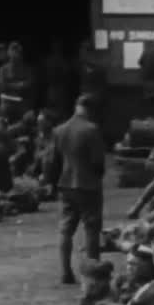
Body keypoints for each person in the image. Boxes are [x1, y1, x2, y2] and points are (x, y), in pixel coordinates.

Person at [48, 94, 108, 284]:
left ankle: (65, 272)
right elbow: (98, 162)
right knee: (91, 229)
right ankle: (93, 274)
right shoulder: (92, 129)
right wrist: (97, 177)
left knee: (65, 229)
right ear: (91, 110)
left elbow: (53, 161)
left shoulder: (59, 130)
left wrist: (54, 181)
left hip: (66, 184)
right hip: (88, 185)